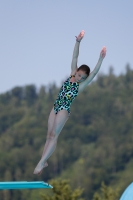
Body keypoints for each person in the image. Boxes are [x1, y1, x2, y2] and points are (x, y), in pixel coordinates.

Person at [33, 30, 106, 175]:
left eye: (82, 78)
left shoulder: (80, 86)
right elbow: (75, 56)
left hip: (64, 109)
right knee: (48, 135)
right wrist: (78, 41)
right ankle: (44, 160)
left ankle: (41, 163)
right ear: (76, 71)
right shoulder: (72, 73)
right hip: (55, 106)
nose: (79, 78)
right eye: (79, 75)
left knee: (54, 135)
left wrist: (101, 58)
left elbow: (95, 73)